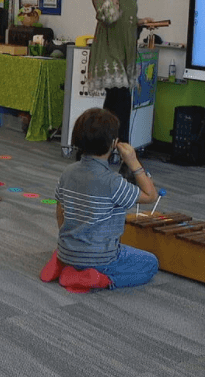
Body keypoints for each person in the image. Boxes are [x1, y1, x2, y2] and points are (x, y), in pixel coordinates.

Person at [40, 108, 159, 293]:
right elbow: (151, 195)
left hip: (67, 249)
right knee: (150, 263)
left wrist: (71, 243)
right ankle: (100, 279)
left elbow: (59, 212)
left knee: (82, 249)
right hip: (101, 259)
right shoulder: (113, 182)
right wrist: (133, 161)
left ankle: (63, 263)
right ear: (113, 143)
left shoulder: (67, 172)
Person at [86, 0, 153, 143]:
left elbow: (125, 17)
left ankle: (96, 144)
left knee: (113, 105)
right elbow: (107, 16)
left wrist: (141, 22)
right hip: (108, 51)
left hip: (125, 51)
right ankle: (124, 151)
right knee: (122, 101)